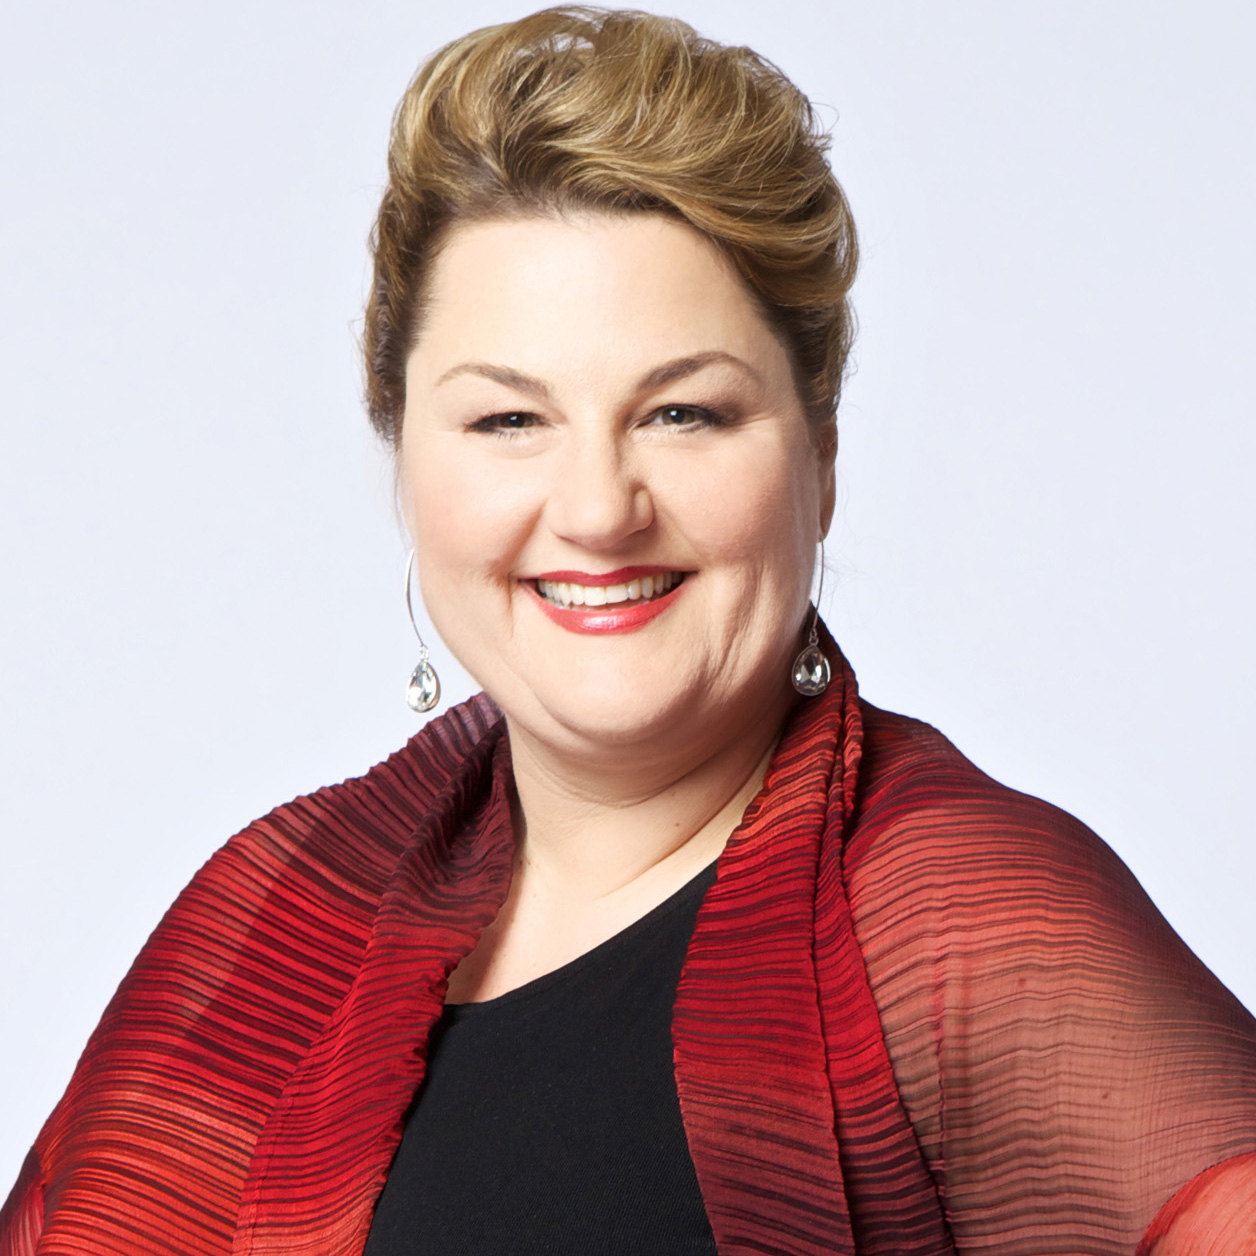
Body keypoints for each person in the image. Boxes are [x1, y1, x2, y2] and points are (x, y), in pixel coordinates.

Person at [3, 7, 1254, 1254]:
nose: (598, 508)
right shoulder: (267, 925)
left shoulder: (973, 932)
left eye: (683, 413)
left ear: (818, 454)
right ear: (400, 455)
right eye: (507, 420)